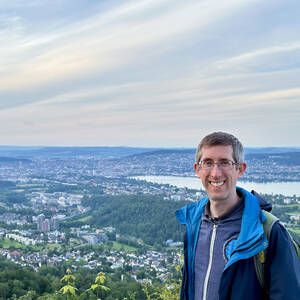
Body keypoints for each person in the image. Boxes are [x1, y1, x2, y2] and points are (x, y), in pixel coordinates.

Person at [176, 131, 300, 300]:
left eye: (224, 163)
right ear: (198, 169)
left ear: (240, 169)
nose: (215, 173)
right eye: (208, 163)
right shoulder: (194, 224)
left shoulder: (268, 231)